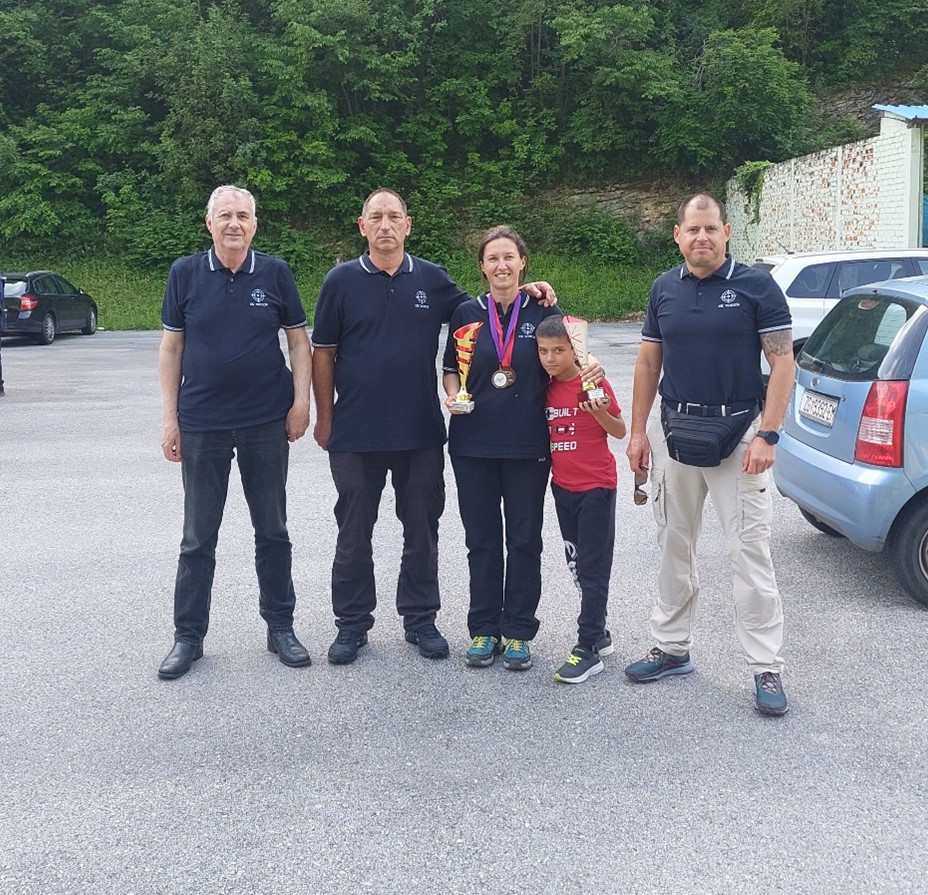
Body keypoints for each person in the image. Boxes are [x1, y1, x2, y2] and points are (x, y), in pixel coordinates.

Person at [312, 191, 556, 666]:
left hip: (419, 429)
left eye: (394, 217)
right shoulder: (340, 281)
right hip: (356, 430)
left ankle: (420, 619)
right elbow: (323, 352)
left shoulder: (430, 278)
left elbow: (485, 310)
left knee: (422, 529)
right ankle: (352, 624)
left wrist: (527, 290)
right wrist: (325, 416)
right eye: (376, 217)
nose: (385, 225)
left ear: (408, 225)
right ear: (362, 226)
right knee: (354, 530)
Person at [624, 193, 794, 716]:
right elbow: (648, 363)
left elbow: (783, 363)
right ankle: (671, 647)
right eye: (692, 229)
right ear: (677, 235)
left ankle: (765, 666)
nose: (702, 237)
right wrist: (638, 433)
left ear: (726, 233)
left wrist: (768, 434)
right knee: (673, 545)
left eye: (711, 228)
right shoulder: (664, 288)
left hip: (739, 435)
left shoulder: (757, 287)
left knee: (749, 553)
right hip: (676, 432)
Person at [157, 185, 312, 680]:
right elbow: (171, 349)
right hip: (203, 423)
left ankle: (280, 627)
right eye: (224, 215)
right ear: (209, 223)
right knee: (197, 537)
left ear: (254, 225)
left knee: (273, 530)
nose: (234, 223)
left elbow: (299, 343)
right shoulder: (184, 273)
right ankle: (188, 637)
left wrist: (301, 403)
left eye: (243, 215)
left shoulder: (275, 272)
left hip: (265, 420)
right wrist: (170, 418)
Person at [442, 226, 598, 672]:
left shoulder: (544, 310)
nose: (502, 265)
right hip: (472, 445)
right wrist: (452, 395)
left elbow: (570, 362)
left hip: (528, 445)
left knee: (525, 540)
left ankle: (518, 631)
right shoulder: (465, 312)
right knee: (481, 540)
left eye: (509, 257)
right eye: (493, 258)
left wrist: (593, 375)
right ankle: (483, 628)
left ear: (523, 262)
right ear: (482, 266)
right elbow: (451, 368)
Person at [535, 315, 626, 683]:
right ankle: (599, 632)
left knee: (593, 568)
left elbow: (619, 430)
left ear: (575, 350)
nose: (550, 358)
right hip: (563, 487)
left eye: (559, 350)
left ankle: (587, 647)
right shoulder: (545, 387)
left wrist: (598, 409)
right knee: (575, 563)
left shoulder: (592, 381)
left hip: (596, 487)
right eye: (543, 351)